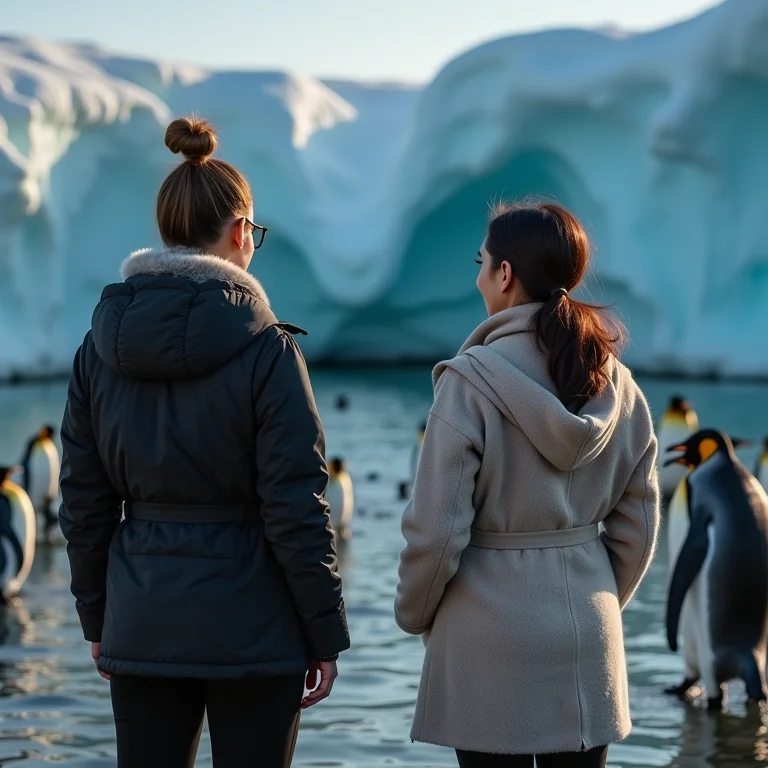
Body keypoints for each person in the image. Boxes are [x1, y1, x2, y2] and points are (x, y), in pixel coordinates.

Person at [59, 116, 350, 768]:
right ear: (242, 232)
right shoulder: (269, 352)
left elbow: (82, 500)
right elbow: (296, 503)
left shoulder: (97, 350)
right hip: (256, 626)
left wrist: (97, 618)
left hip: (142, 615)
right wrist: (323, 631)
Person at [395, 201, 660, 768]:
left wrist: (415, 614)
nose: (477, 275)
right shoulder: (619, 385)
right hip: (589, 635)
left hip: (486, 639)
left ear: (506, 274)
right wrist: (600, 596)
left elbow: (437, 532)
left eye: (481, 262)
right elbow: (639, 526)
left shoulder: (469, 384)